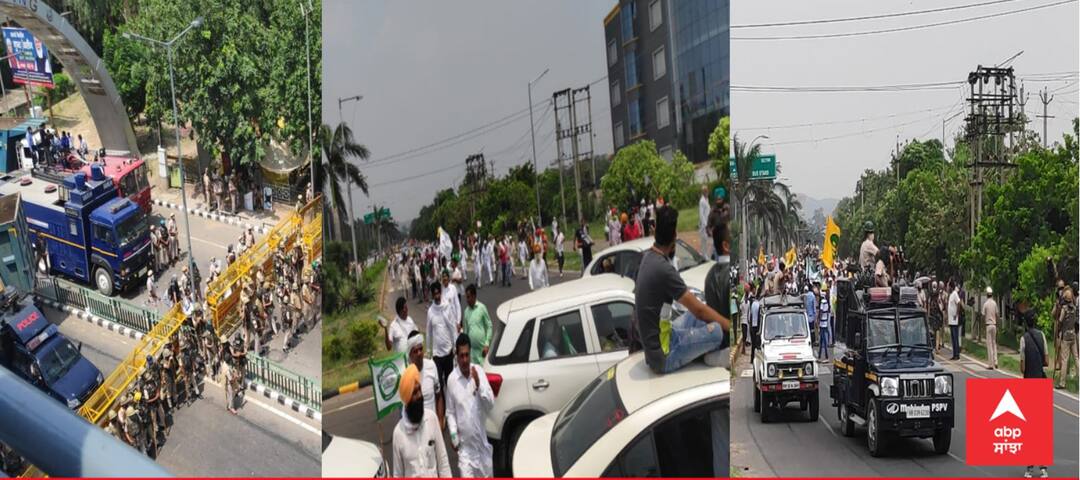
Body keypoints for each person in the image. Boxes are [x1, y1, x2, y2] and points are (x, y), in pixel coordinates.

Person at [633, 206, 729, 373]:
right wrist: (730, 325)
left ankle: (699, 345)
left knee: (700, 316)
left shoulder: (648, 257)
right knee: (717, 332)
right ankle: (708, 356)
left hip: (659, 339)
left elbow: (698, 311)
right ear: (674, 237)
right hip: (664, 355)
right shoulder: (664, 270)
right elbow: (699, 310)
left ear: (655, 233)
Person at [445, 334, 495, 478]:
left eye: (467, 355)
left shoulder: (478, 371)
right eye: (461, 356)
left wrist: (479, 386)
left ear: (470, 353)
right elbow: (450, 412)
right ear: (456, 355)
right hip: (465, 452)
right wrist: (453, 433)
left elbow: (490, 404)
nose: (465, 360)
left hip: (482, 448)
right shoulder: (452, 380)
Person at [391, 364, 452, 478]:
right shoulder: (398, 433)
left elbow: (443, 462)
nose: (419, 395)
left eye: (419, 389)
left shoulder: (432, 419)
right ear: (407, 400)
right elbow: (398, 474)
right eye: (414, 392)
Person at [1018, 307, 1049, 478]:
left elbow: (1022, 367)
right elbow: (1046, 360)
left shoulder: (1023, 340)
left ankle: (1029, 468)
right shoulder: (1042, 336)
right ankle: (1043, 468)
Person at [406, 331, 445, 428]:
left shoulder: (431, 366)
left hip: (433, 427)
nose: (419, 353)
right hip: (417, 430)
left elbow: (439, 396)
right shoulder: (407, 375)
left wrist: (440, 421)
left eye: (420, 349)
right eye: (415, 351)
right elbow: (405, 408)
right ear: (410, 354)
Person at [426, 282, 457, 397]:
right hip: (437, 355)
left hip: (448, 352)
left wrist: (455, 346)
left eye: (438, 293)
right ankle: (442, 410)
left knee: (450, 383)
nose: (437, 296)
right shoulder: (430, 312)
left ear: (441, 292)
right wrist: (428, 351)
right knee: (439, 385)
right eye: (434, 294)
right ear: (432, 295)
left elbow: (453, 327)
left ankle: (451, 408)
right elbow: (428, 333)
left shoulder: (447, 307)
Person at [1055, 287, 1078, 389]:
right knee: (1076, 357)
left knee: (1064, 359)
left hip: (1065, 336)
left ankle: (1062, 383)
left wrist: (1058, 331)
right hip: (1073, 334)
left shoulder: (1064, 309)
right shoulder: (1074, 308)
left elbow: (1060, 321)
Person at [982, 286, 999, 369]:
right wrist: (997, 324)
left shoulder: (985, 304)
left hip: (988, 325)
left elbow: (983, 315)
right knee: (994, 343)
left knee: (989, 344)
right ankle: (996, 361)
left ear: (986, 295)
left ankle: (990, 364)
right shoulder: (994, 303)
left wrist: (982, 325)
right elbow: (997, 315)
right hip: (994, 325)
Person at [947, 281, 962, 360]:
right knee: (952, 337)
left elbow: (959, 303)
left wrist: (957, 313)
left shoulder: (955, 294)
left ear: (951, 287)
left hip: (954, 319)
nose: (948, 288)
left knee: (955, 337)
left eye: (948, 286)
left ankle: (957, 354)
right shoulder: (951, 295)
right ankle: (954, 354)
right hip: (950, 319)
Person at [818, 286, 832, 362]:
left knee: (823, 340)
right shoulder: (827, 302)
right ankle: (820, 356)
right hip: (825, 322)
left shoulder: (823, 302)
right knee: (821, 340)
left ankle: (826, 356)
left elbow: (821, 312)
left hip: (822, 323)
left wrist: (818, 320)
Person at [698, 186, 711, 259]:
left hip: (707, 221)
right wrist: (705, 224)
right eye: (706, 191)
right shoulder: (702, 201)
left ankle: (703, 253)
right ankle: (704, 254)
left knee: (705, 239)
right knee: (704, 239)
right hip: (704, 224)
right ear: (704, 192)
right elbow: (701, 214)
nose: (707, 192)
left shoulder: (707, 199)